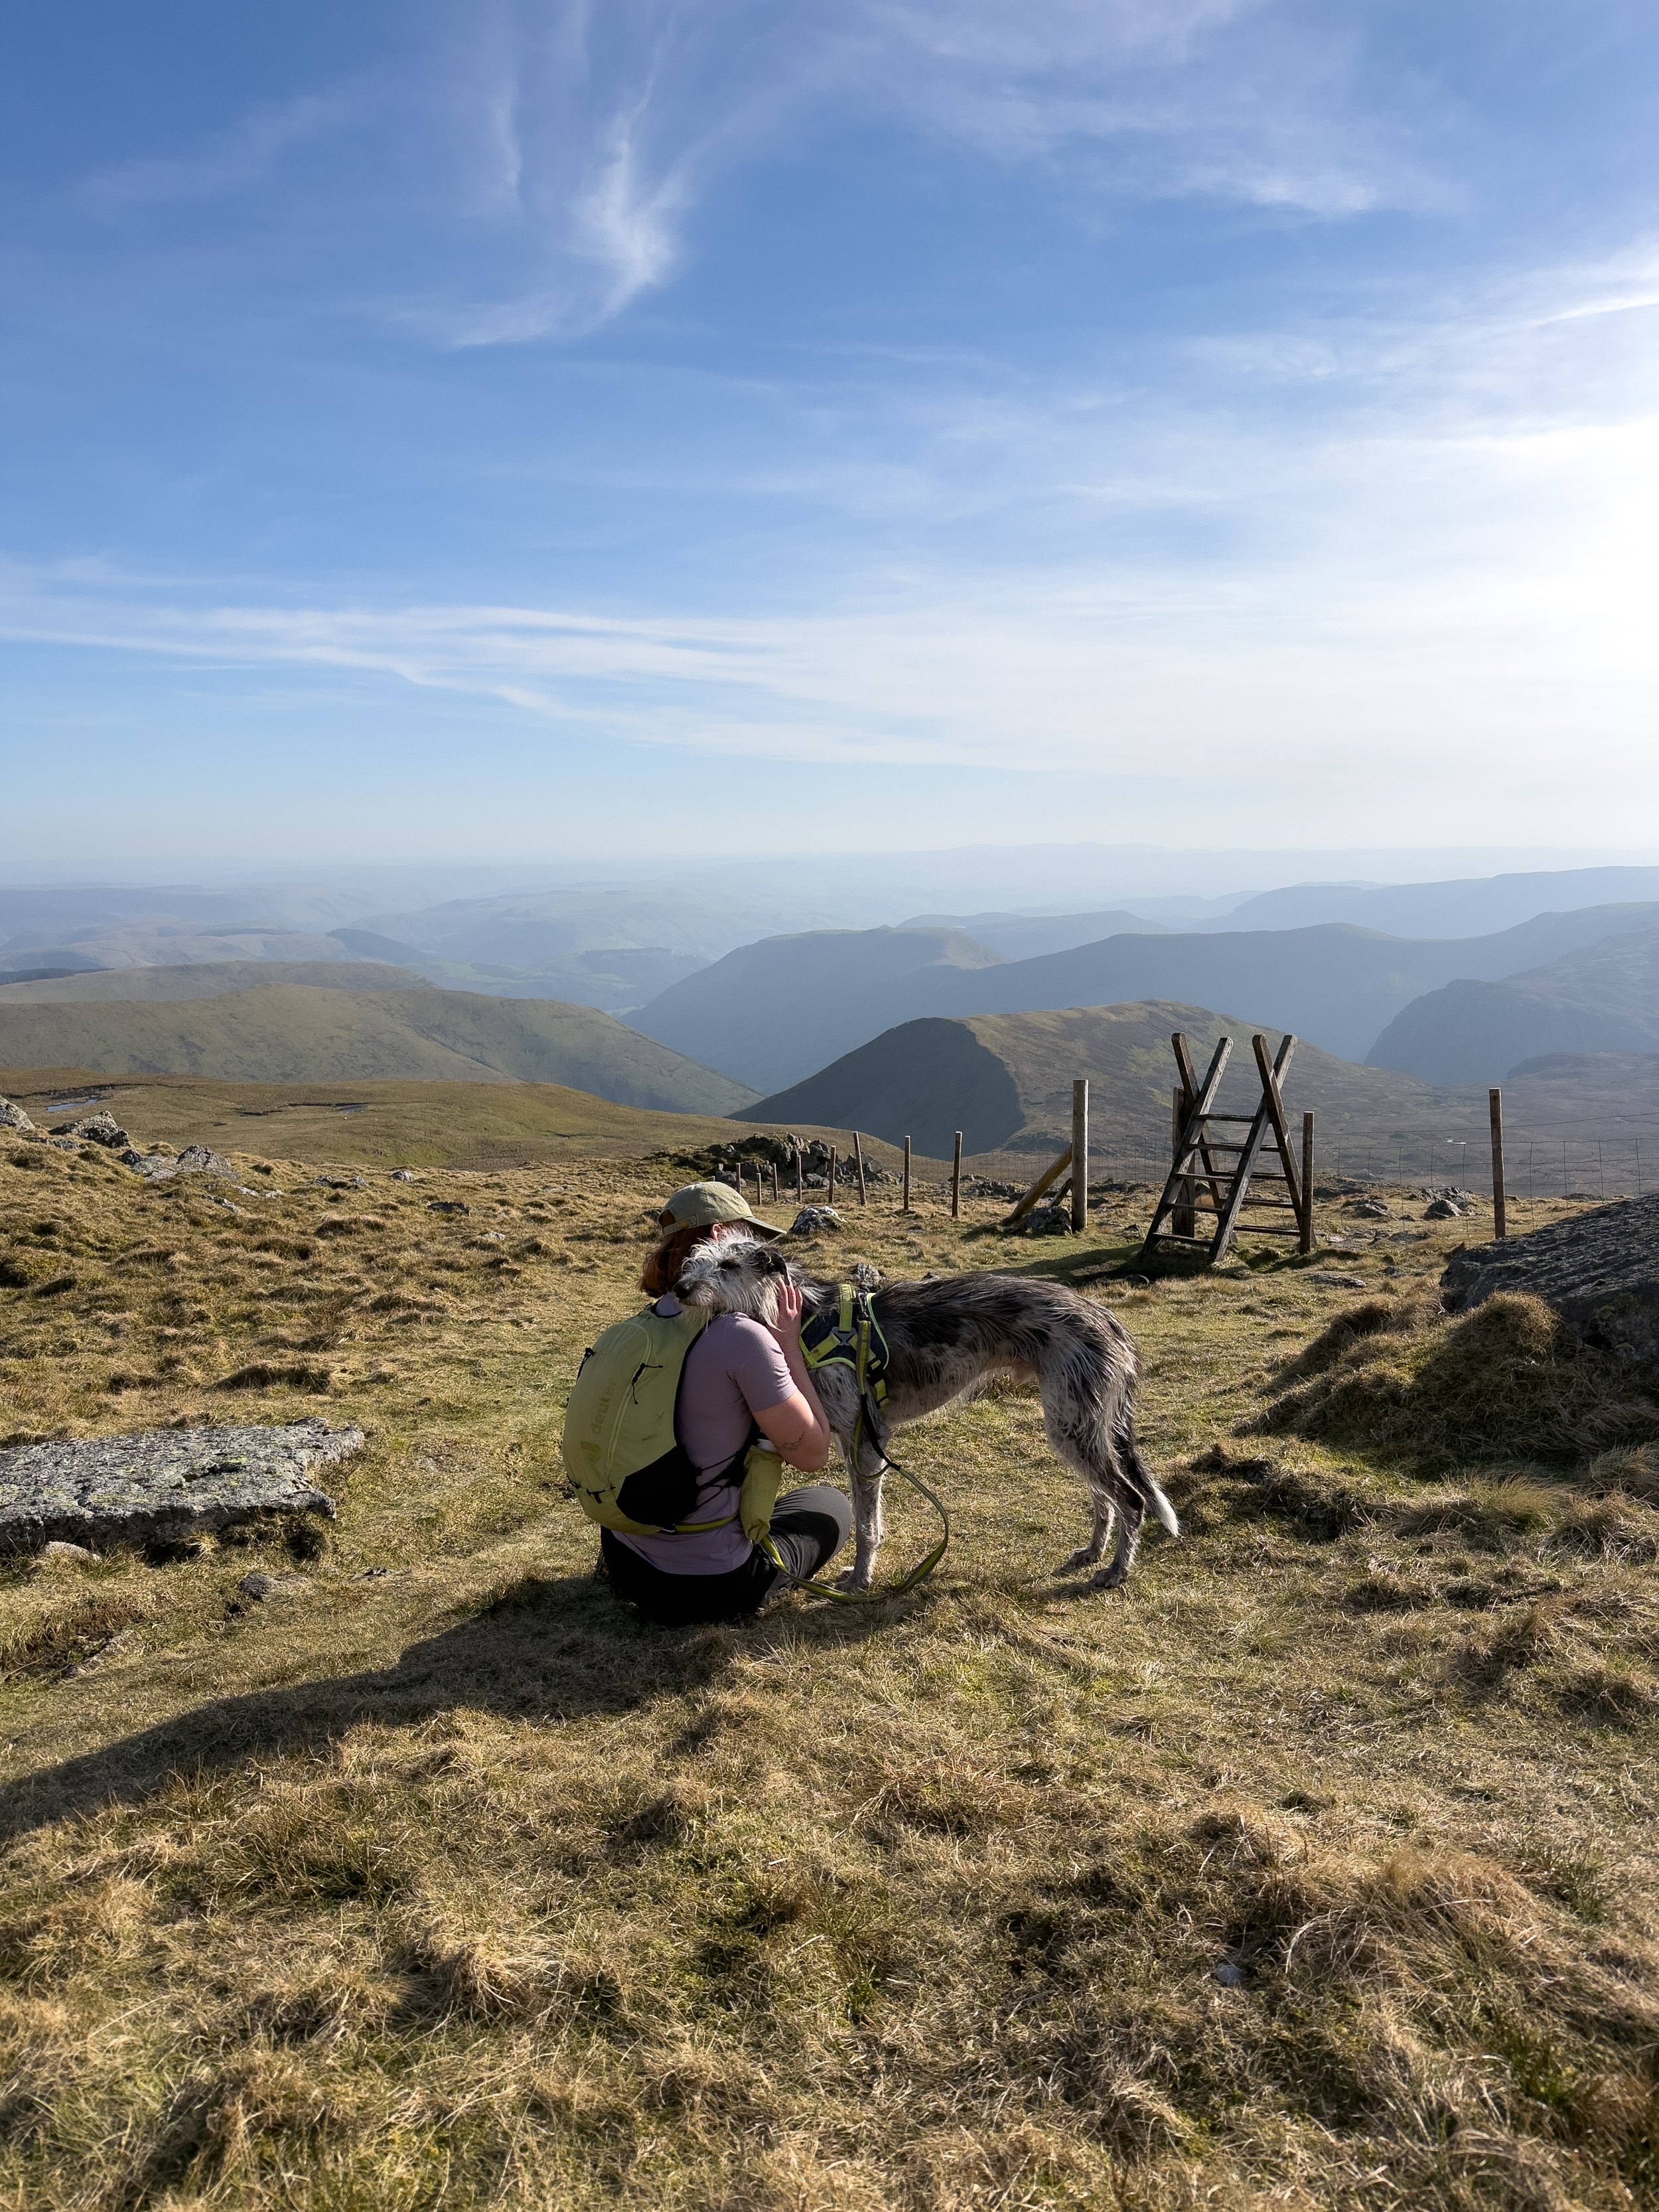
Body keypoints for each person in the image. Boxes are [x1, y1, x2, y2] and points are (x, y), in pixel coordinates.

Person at [599, 1180, 851, 1625]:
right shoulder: (740, 1337)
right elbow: (813, 1453)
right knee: (831, 1503)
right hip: (711, 1586)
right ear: (719, 1236)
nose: (753, 1246)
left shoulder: (637, 1325)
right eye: (745, 1233)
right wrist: (788, 1346)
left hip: (625, 1560)